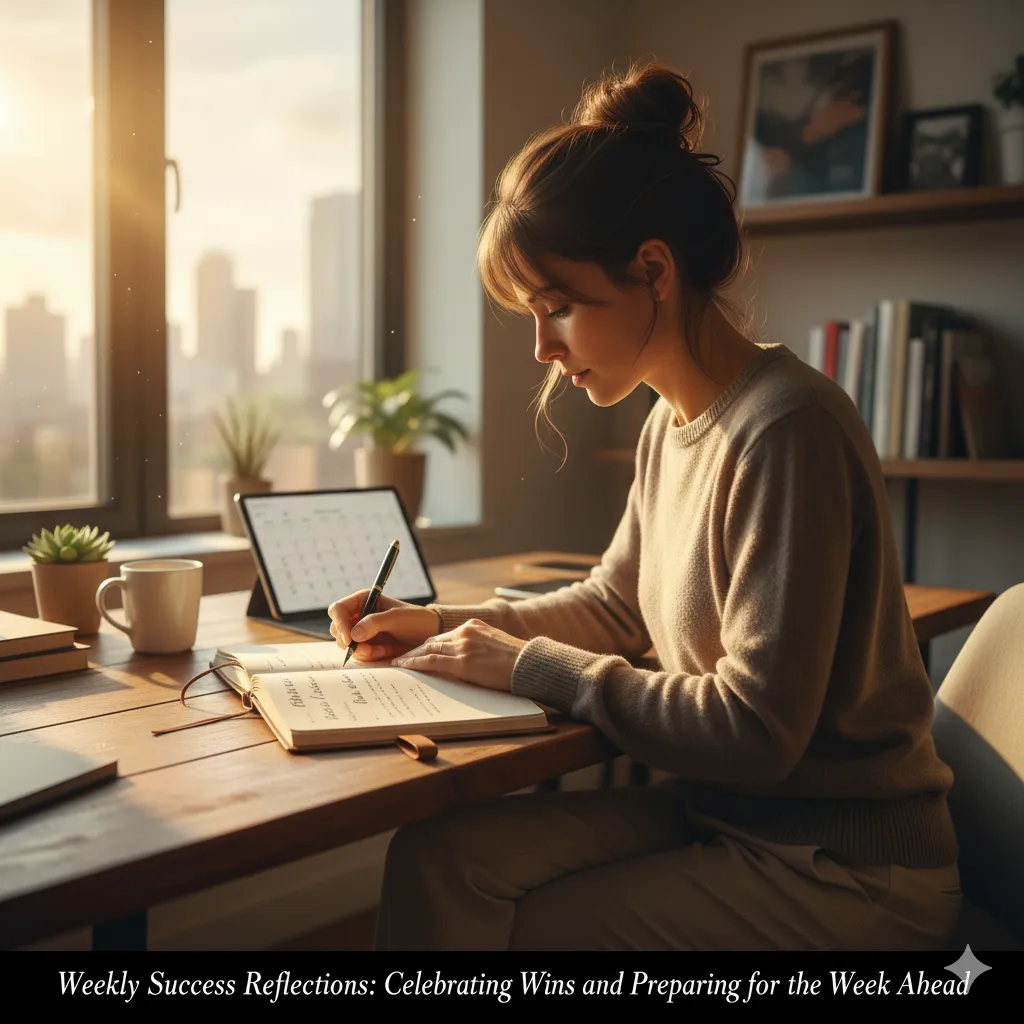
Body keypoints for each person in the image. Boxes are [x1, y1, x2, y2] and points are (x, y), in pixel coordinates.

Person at [327, 60, 961, 951]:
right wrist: (436, 625)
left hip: (844, 866)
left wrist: (525, 665)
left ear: (653, 270)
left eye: (559, 308)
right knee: (437, 864)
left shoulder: (787, 428)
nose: (543, 348)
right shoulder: (673, 423)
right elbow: (616, 605)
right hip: (729, 817)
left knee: (527, 933)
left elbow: (754, 732)